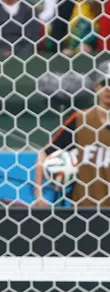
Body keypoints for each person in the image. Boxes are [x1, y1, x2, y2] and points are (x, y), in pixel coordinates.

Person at [35, 63, 110, 207]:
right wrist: (39, 196)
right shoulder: (81, 119)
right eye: (104, 83)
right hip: (83, 209)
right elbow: (44, 153)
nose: (108, 88)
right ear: (96, 87)